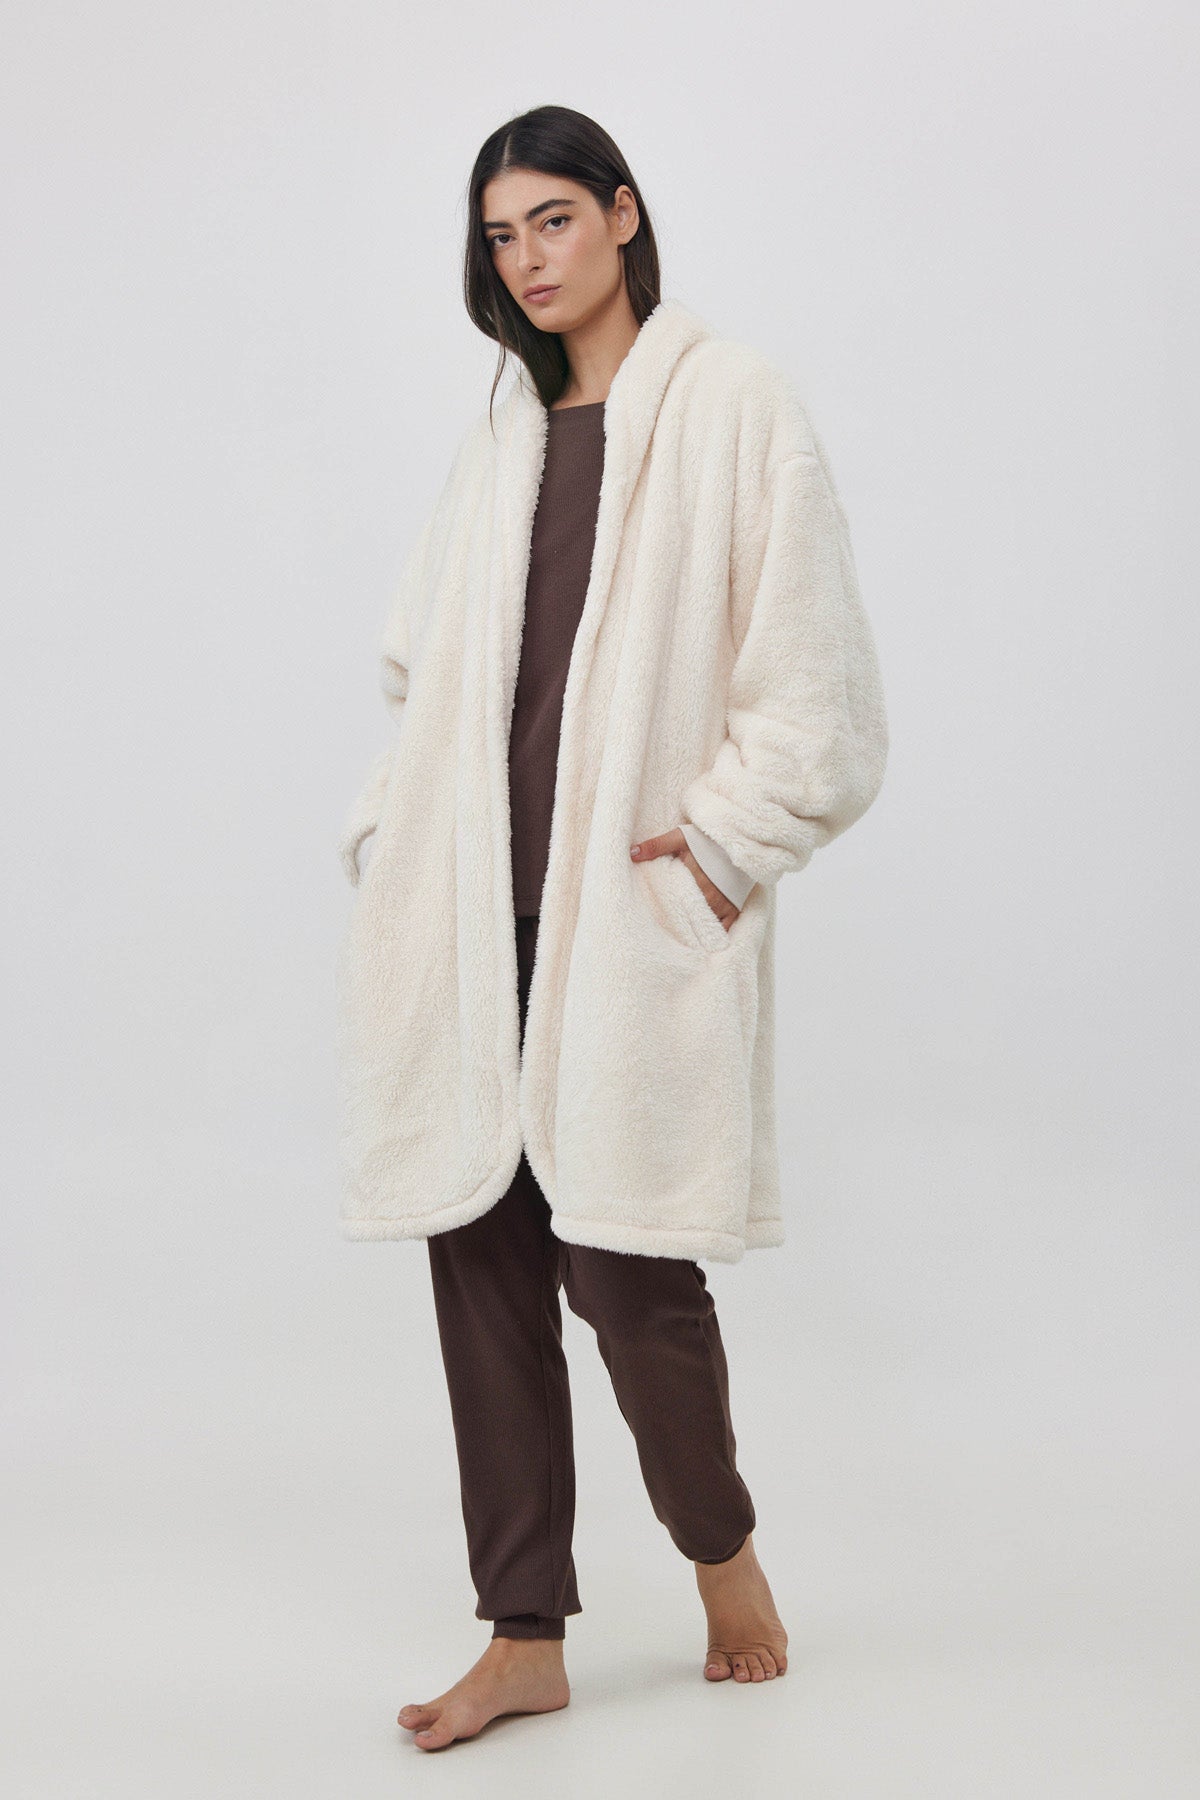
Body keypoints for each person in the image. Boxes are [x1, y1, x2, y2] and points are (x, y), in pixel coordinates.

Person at [335, 104, 889, 1752]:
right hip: (472, 907)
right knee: (480, 1259)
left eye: (555, 219)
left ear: (625, 215)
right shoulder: (503, 431)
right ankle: (523, 1632)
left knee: (626, 1271)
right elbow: (425, 663)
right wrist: (390, 831)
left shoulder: (733, 405)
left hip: (623, 916)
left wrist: (720, 850)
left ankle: (723, 1555)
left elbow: (818, 689)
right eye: (501, 234)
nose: (529, 257)